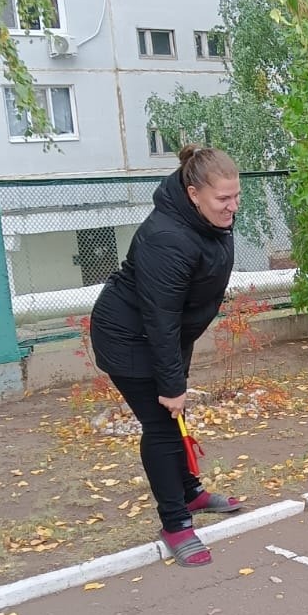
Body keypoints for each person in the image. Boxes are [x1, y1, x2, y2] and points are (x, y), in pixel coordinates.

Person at [89, 145, 242, 568]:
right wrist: (172, 384)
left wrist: (176, 375)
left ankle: (190, 492)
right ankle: (175, 523)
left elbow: (178, 313)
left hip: (167, 335)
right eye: (222, 200)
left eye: (236, 197)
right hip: (129, 338)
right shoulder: (167, 238)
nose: (232, 208)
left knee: (176, 417)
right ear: (193, 194)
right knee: (160, 424)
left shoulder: (203, 220)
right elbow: (160, 316)